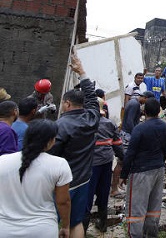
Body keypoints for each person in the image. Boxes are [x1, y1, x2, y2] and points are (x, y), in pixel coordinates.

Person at [49, 52, 101, 238]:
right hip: (84, 179)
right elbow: (93, 99)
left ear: (67, 104)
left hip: (64, 183)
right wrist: (82, 72)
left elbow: (51, 157)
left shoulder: (60, 126)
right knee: (76, 221)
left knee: (57, 223)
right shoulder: (93, 118)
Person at [0, 120, 72, 237]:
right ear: (50, 141)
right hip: (42, 230)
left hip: (5, 229)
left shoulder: (2, 161)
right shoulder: (59, 164)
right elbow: (63, 202)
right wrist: (65, 226)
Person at [120, 97, 166, 238]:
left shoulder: (139, 129)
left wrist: (123, 175)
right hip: (158, 170)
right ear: (159, 110)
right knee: (153, 206)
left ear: (144, 111)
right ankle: (151, 234)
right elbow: (165, 150)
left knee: (136, 207)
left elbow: (130, 153)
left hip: (140, 172)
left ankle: (136, 235)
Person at [84, 102, 124, 233]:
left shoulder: (85, 124)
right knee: (103, 192)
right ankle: (102, 224)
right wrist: (123, 158)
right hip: (106, 162)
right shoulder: (109, 123)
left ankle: (82, 228)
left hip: (91, 164)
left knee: (88, 195)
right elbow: (117, 144)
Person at [112, 91, 153, 198]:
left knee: (124, 161)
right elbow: (130, 121)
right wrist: (137, 133)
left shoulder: (133, 102)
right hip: (128, 135)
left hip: (127, 133)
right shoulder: (135, 104)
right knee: (122, 162)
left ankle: (120, 185)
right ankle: (115, 189)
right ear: (144, 97)